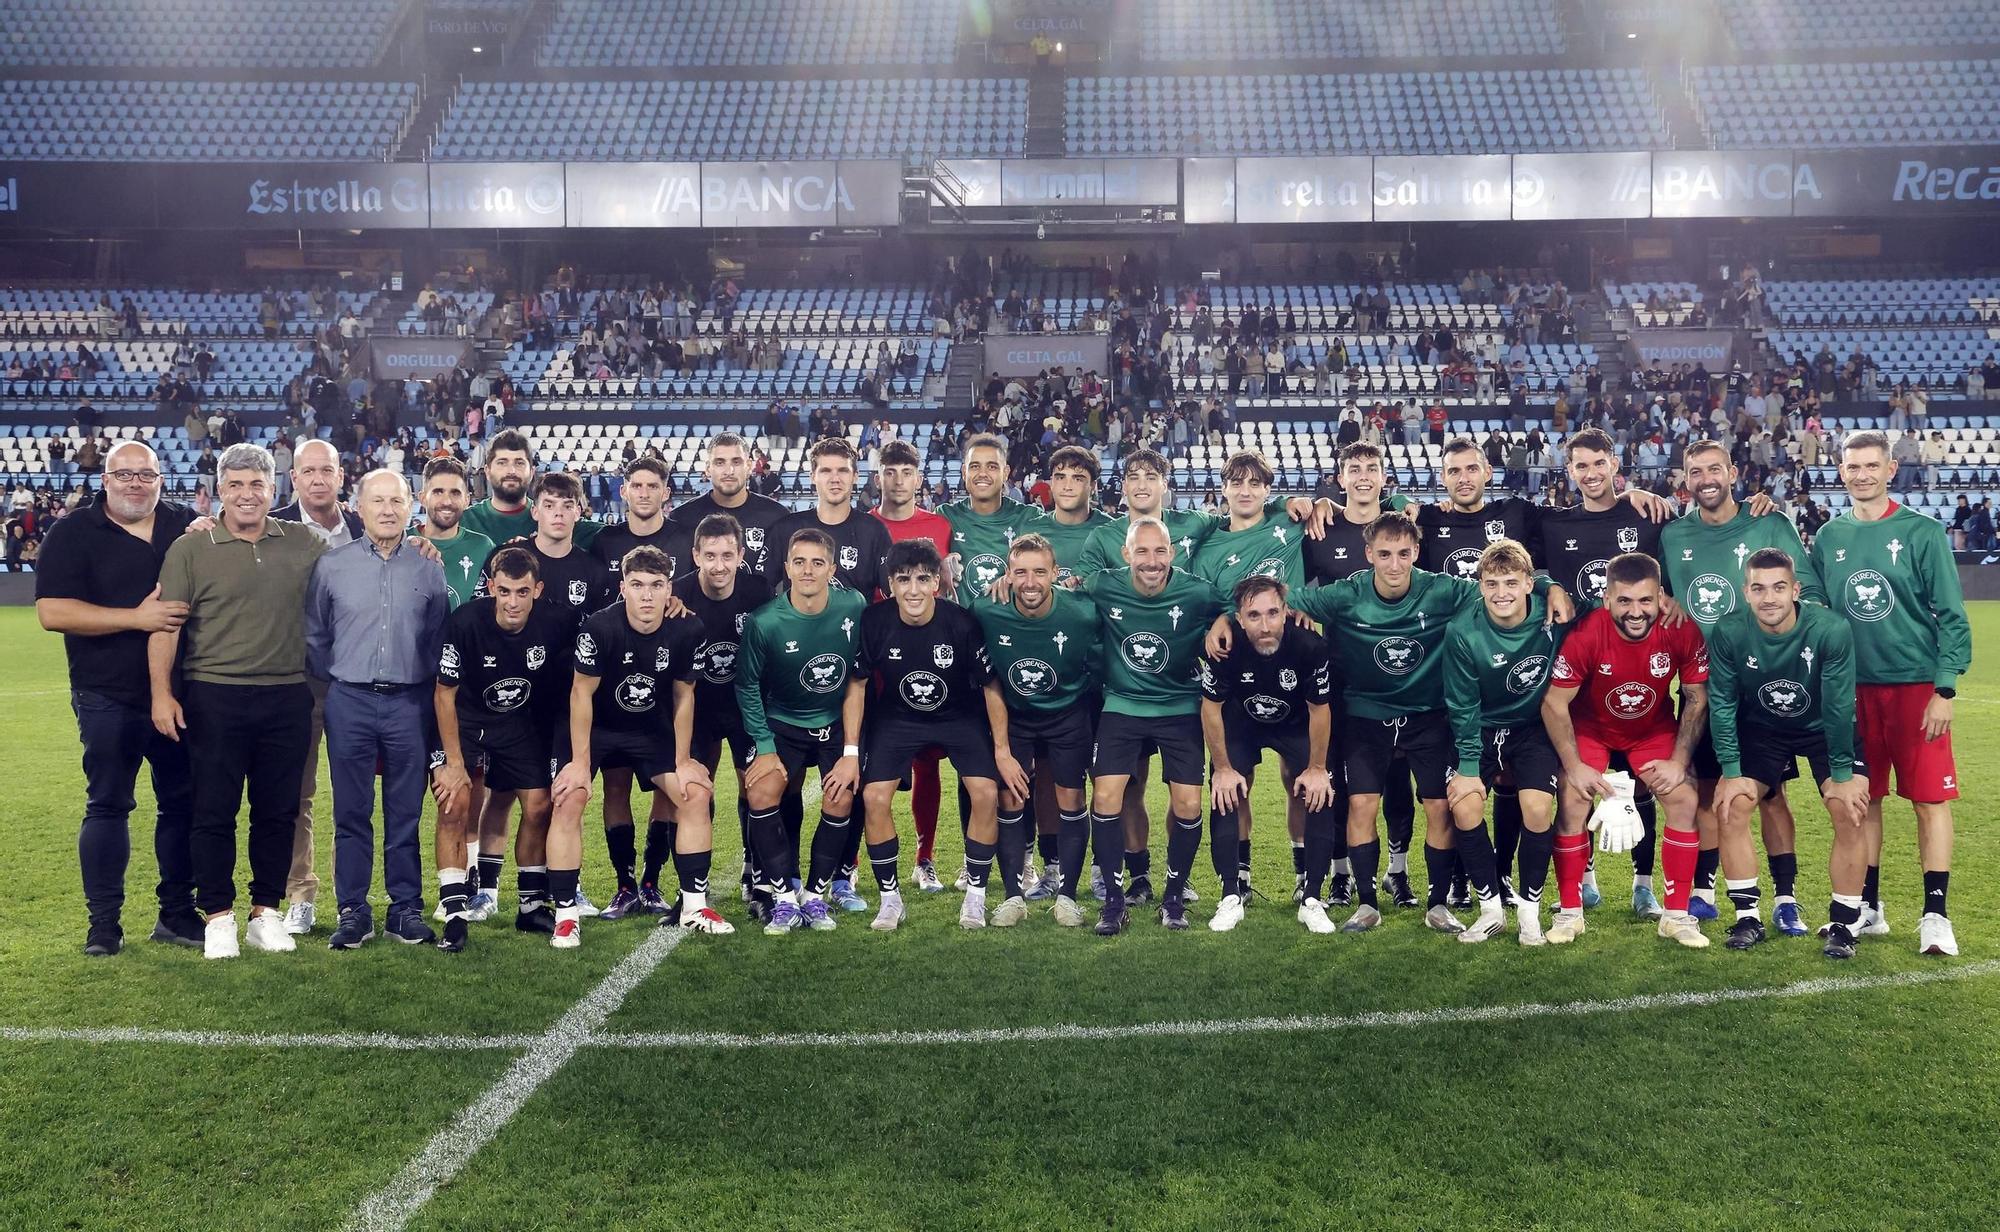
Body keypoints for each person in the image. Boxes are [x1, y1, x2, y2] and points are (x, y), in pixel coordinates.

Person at [1228, 514, 1568, 934]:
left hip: (1427, 715)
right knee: (1361, 804)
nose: (1394, 564)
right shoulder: (1346, 593)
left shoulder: (1441, 589)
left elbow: (1504, 584)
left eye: (1404, 554)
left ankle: (1438, 903)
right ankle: (1368, 903)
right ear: (1369, 554)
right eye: (1384, 554)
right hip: (1366, 715)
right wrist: (1227, 619)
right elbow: (1277, 600)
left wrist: (1551, 586)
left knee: (1440, 806)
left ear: (1416, 553)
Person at [149, 443, 324, 960]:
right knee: (213, 809)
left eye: (258, 485)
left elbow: (359, 567)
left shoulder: (305, 542)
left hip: (287, 695)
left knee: (278, 811)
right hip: (213, 695)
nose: (247, 495)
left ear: (275, 490)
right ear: (219, 490)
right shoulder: (190, 548)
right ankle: (219, 916)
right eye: (236, 485)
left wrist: (422, 544)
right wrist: (162, 694)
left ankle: (265, 913)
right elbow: (166, 626)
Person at [33, 442, 202, 955]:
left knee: (183, 804)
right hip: (106, 693)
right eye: (123, 474)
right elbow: (52, 612)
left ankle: (176, 914)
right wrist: (136, 617)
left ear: (160, 479)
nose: (135, 483)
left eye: (145, 475)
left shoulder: (187, 526)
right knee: (108, 804)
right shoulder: (72, 532)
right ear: (104, 480)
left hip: (183, 693)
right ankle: (103, 924)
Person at [1809, 431, 1971, 957]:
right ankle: (1868, 908)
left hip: (1915, 687)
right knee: (1864, 798)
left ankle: (1935, 914)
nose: (1861, 474)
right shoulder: (1827, 536)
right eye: (1852, 466)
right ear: (1840, 470)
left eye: (1871, 465)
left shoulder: (1921, 532)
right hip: (1851, 688)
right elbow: (1815, 610)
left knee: (1928, 799)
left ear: (1891, 468)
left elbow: (1951, 616)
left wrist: (1944, 689)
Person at [1662, 439, 1824, 931]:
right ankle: (1705, 889)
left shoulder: (1768, 522)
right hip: (1702, 686)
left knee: (1772, 793)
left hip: (1762, 686)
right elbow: (1662, 594)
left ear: (1733, 472)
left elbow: (1808, 591)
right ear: (1684, 479)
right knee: (1710, 787)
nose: (1706, 478)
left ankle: (1786, 897)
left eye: (1715, 468)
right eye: (1695, 471)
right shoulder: (1671, 534)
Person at [548, 546, 723, 948]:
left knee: (693, 793)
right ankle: (565, 916)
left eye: (657, 586)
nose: (647, 595)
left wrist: (682, 760)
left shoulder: (688, 629)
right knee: (570, 797)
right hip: (596, 728)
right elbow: (580, 694)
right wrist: (578, 762)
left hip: (649, 728)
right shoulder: (598, 627)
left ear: (669, 590)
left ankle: (695, 907)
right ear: (622, 587)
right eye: (638, 585)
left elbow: (684, 696)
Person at [304, 470, 449, 950]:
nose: (388, 510)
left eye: (397, 501)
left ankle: (405, 909)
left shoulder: (429, 567)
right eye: (378, 501)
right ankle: (353, 911)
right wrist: (346, 676)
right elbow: (316, 636)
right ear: (358, 506)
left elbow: (435, 637)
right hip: (349, 700)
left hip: (409, 702)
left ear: (411, 507)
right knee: (351, 811)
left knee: (405, 811)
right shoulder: (332, 566)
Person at [1706, 549, 1871, 957]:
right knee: (1732, 804)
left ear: (1796, 590)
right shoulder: (1728, 631)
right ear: (1745, 592)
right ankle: (1747, 917)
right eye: (1759, 589)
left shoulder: (1830, 629)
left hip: (1822, 728)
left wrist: (1842, 775)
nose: (1769, 598)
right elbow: (1722, 703)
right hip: (1762, 730)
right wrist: (1730, 768)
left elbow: (1837, 708)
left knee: (1847, 809)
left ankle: (1843, 923)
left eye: (1779, 587)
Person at [1542, 553, 1711, 949]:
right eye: (1625, 602)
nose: (1636, 612)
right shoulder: (1586, 633)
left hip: (1651, 730)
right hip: (1592, 730)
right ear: (1607, 599)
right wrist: (1574, 766)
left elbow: (1696, 698)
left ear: (1660, 598)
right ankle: (1570, 912)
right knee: (1571, 798)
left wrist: (1678, 761)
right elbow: (1554, 703)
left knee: (1684, 797)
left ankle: (1676, 916)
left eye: (1645, 601)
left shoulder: (1681, 629)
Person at [1078, 517, 1226, 934]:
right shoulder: (1104, 584)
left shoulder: (1195, 590)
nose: (1151, 560)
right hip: (1122, 705)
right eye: (1141, 551)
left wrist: (1223, 620)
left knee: (1189, 805)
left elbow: (1234, 604)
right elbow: (1060, 592)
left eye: (1160, 551)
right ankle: (1113, 899)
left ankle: (1174, 897)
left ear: (1172, 553)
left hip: (1179, 706)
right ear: (1126, 555)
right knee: (1107, 796)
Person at [852, 539, 1002, 931]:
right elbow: (856, 685)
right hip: (898, 717)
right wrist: (851, 751)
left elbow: (990, 686)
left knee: (986, 793)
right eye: (904, 580)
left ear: (937, 581)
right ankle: (890, 900)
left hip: (958, 714)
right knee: (873, 796)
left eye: (923, 579)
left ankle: (975, 897)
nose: (914, 589)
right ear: (890, 585)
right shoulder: (874, 621)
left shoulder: (962, 622)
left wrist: (1001, 749)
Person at [429, 545, 570, 951]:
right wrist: (453, 761)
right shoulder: (465, 623)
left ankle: (529, 906)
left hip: (519, 724)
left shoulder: (558, 622)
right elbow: (443, 695)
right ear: (491, 587)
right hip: (466, 720)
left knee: (540, 805)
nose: (512, 602)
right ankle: (454, 915)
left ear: (537, 590)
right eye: (504, 591)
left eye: (522, 592)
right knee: (453, 800)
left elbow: (603, 631)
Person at [736, 528, 868, 934]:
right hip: (784, 721)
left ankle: (814, 896)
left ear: (832, 568)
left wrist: (850, 752)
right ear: (787, 567)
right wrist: (764, 746)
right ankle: (782, 897)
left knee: (841, 797)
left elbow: (856, 682)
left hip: (832, 721)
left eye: (817, 562)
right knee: (761, 788)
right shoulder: (764, 621)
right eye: (799, 562)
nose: (807, 570)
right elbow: (747, 686)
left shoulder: (854, 606)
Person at [1442, 539, 1572, 947]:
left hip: (1531, 728)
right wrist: (1467, 767)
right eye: (1492, 583)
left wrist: (1554, 587)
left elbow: (1600, 614)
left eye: (1512, 582)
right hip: (1479, 729)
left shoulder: (1554, 615)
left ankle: (1529, 911)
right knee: (1464, 805)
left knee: (1537, 808)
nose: (1502, 593)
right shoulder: (1462, 631)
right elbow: (1462, 705)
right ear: (1479, 585)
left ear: (1529, 584)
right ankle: (1490, 909)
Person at [974, 533, 1102, 927]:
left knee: (1070, 796)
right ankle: (1013, 897)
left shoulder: (1081, 613)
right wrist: (1001, 749)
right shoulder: (986, 610)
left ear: (1056, 574)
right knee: (1009, 797)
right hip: (1015, 717)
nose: (1030, 582)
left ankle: (1067, 897)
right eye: (1020, 573)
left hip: (1068, 714)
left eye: (1040, 573)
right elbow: (988, 679)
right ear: (1008, 574)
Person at [585, 456, 692, 919]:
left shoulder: (681, 538)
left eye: (653, 485)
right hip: (611, 683)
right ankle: (625, 883)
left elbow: (689, 590)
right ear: (624, 490)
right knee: (615, 786)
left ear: (666, 491)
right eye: (636, 485)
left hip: (662, 685)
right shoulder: (603, 539)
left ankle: (652, 880)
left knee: (669, 789)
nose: (645, 492)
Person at [1199, 575, 1336, 934]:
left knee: (1319, 790)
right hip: (1241, 723)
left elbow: (1320, 709)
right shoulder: (1224, 648)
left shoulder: (1310, 645)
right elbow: (1211, 708)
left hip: (1294, 724)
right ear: (1239, 619)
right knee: (1226, 791)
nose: (1265, 625)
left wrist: (1318, 768)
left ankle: (1312, 898)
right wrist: (1223, 768)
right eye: (1254, 615)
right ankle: (1231, 894)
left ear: (1286, 613)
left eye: (1273, 613)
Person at [269, 437, 362, 934]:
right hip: (296, 680)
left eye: (327, 469)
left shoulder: (369, 524)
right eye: (308, 471)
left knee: (352, 795)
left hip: (355, 681)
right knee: (296, 794)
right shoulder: (272, 528)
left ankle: (355, 898)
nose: (318, 478)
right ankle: (300, 895)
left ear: (341, 476)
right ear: (294, 479)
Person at [674, 514, 775, 920]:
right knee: (697, 791)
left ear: (741, 556)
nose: (719, 565)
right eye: (710, 555)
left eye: (727, 555)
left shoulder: (757, 590)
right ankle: (693, 888)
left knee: (756, 788)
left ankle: (757, 875)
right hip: (697, 708)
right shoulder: (678, 593)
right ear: (695, 555)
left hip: (745, 705)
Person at [868, 439, 957, 892]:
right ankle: (845, 871)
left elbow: (951, 590)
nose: (898, 479)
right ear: (878, 476)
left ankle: (924, 859)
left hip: (929, 658)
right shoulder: (864, 527)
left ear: (919, 478)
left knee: (928, 762)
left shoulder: (940, 526)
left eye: (906, 471)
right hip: (878, 661)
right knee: (868, 766)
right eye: (890, 470)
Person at [765, 436, 892, 599]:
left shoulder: (874, 531)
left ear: (855, 476)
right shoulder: (786, 529)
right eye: (825, 471)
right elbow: (762, 587)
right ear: (812, 476)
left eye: (843, 471)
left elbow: (894, 589)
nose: (835, 479)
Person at [462, 428, 605, 550]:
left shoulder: (554, 518)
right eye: (502, 463)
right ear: (487, 471)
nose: (511, 471)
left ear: (531, 471)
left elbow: (617, 535)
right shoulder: (465, 521)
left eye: (519, 463)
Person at [668, 432, 787, 577]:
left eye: (736, 462)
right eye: (720, 462)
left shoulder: (777, 516)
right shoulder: (681, 517)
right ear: (708, 468)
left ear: (749, 466)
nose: (729, 471)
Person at [417, 456, 496, 610]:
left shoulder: (483, 547)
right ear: (422, 498)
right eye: (438, 492)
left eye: (455, 493)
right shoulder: (403, 544)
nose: (447, 501)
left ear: (467, 500)